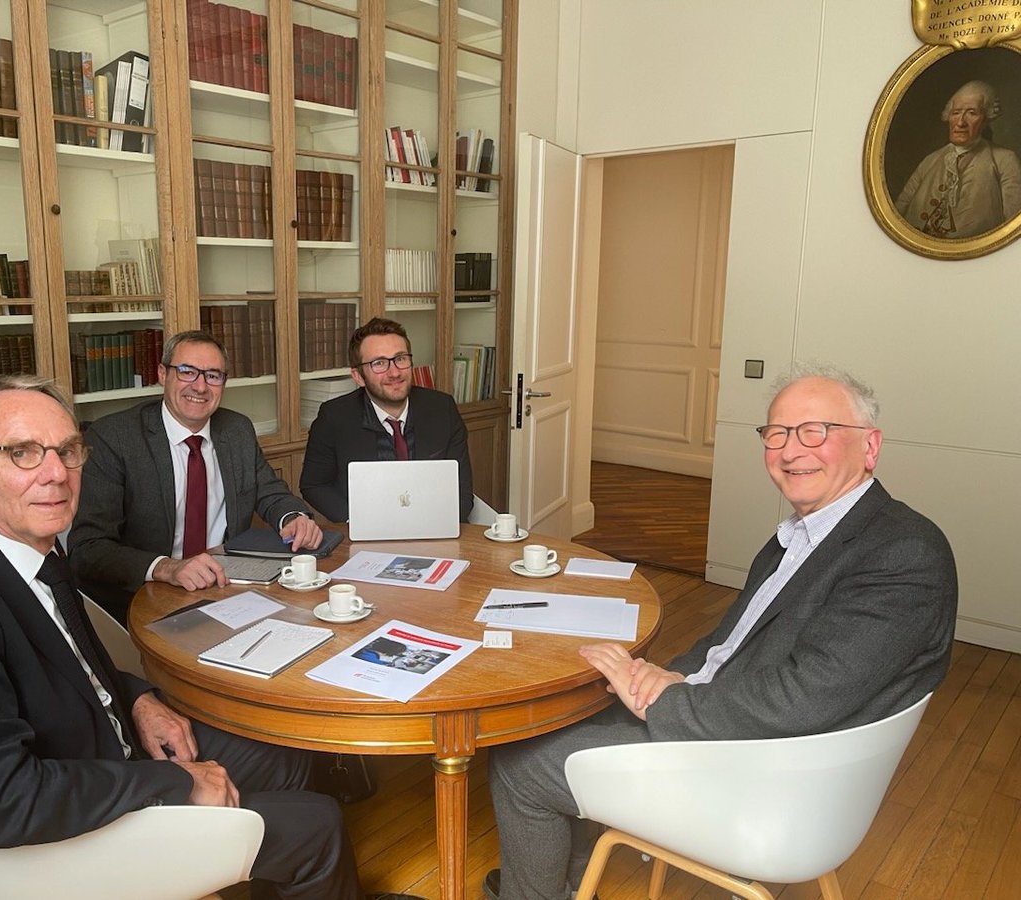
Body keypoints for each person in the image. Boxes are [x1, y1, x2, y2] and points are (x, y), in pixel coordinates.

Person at [0, 375, 360, 898]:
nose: (56, 474)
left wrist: (138, 702)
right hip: (51, 846)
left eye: (67, 451)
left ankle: (228, 868)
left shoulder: (19, 545)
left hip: (88, 753)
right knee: (317, 825)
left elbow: (73, 667)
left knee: (286, 757)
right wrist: (178, 783)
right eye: (22, 452)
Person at [484, 366, 958, 900]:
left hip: (769, 776)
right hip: (736, 725)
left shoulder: (905, 553)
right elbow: (729, 643)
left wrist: (663, 700)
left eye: (815, 431)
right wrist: (666, 674)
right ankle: (560, 884)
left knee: (520, 759)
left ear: (869, 446)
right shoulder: (806, 534)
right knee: (552, 718)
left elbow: (804, 701)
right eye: (776, 433)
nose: (789, 450)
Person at [69, 330, 323, 623]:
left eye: (213, 375)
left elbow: (269, 490)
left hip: (227, 588)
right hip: (145, 597)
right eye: (188, 372)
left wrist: (293, 516)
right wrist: (167, 568)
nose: (201, 386)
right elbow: (88, 548)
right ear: (163, 374)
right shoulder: (115, 438)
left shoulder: (236, 429)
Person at [299, 317, 473, 523]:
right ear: (358, 376)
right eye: (379, 363)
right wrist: (355, 520)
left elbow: (461, 489)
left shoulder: (442, 408)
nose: (394, 372)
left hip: (435, 527)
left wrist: (435, 525)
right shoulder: (334, 418)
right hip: (364, 531)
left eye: (400, 359)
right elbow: (314, 484)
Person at [894, 79, 1021, 238]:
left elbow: (1014, 227)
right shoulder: (930, 160)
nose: (960, 122)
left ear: (986, 119)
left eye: (972, 113)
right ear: (948, 117)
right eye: (956, 113)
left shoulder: (1005, 160)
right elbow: (898, 212)